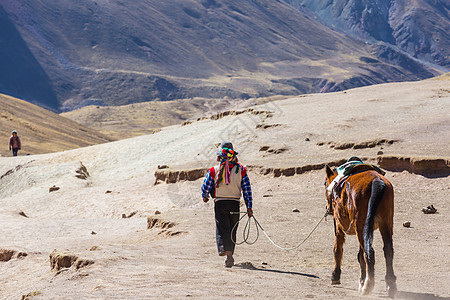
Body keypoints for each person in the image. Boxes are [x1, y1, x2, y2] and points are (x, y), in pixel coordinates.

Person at [201, 141, 253, 268]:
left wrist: (205, 196)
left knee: (222, 228)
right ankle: (230, 255)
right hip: (234, 204)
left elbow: (206, 186)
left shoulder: (214, 170)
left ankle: (228, 255)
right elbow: (247, 190)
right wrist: (249, 207)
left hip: (220, 204)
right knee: (232, 229)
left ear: (219, 156)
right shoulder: (241, 170)